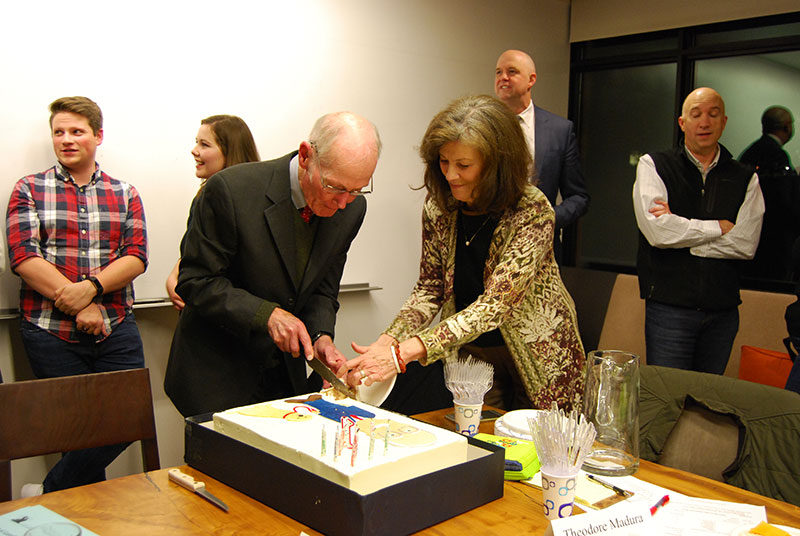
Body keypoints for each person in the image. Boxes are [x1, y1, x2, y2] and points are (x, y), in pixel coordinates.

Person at [338, 95, 585, 412]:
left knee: (540, 450)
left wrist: (407, 352)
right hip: (474, 355)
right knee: (481, 445)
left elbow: (496, 304)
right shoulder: (439, 208)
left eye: (464, 165)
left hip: (541, 353)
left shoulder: (532, 210)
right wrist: (387, 343)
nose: (450, 175)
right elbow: (430, 288)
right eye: (444, 161)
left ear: (497, 164)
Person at [164, 111, 381, 417]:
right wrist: (267, 315)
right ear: (306, 156)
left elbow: (323, 286)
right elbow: (196, 282)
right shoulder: (230, 191)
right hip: (216, 374)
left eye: (357, 189)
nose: (344, 202)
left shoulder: (352, 208)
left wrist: (321, 337)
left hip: (281, 379)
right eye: (335, 187)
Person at [5, 96, 148, 493]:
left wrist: (92, 291)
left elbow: (136, 256)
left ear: (98, 136)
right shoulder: (29, 188)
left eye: (77, 131)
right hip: (49, 331)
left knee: (127, 419)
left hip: (116, 325)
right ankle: (80, 520)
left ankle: (45, 494)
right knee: (74, 434)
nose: (67, 140)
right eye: (59, 132)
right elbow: (24, 256)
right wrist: (77, 305)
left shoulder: (125, 193)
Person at [633, 87, 765, 374]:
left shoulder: (745, 177)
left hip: (723, 311)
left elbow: (745, 244)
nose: (704, 122)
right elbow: (657, 233)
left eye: (713, 114)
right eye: (696, 115)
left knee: (706, 400)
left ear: (724, 121)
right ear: (682, 123)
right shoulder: (654, 165)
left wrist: (682, 234)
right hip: (669, 309)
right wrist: (719, 227)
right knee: (668, 397)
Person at [494, 49, 589, 262]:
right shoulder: (480, 127)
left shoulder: (560, 130)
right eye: (498, 72)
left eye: (512, 71)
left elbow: (579, 197)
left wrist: (547, 219)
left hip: (542, 249)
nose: (503, 77)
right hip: (490, 244)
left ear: (531, 79)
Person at [165, 115, 260, 309]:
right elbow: (201, 250)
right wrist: (177, 274)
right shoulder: (204, 197)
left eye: (204, 145)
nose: (194, 151)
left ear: (229, 151)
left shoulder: (254, 203)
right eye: (196, 143)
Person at [739, 106, 798, 281]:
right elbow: (784, 201)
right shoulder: (778, 156)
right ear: (787, 127)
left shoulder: (749, 153)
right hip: (773, 236)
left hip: (750, 232)